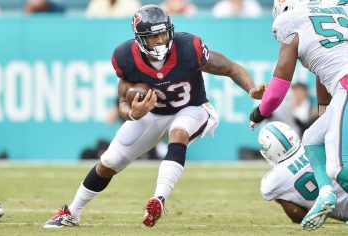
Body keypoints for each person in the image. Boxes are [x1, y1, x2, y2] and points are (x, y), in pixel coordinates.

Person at [43, 4, 266, 229]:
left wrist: (251, 89)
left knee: (178, 132)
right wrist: (132, 113)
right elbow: (122, 99)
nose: (160, 40)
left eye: (163, 33)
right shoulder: (125, 56)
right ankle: (72, 212)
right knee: (110, 161)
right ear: (140, 38)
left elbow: (231, 68)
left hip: (194, 108)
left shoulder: (189, 47)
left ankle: (158, 199)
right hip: (154, 114)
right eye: (153, 35)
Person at [249, 0, 348, 231]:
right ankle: (326, 193)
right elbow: (323, 70)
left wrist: (259, 112)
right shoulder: (340, 10)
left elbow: (279, 86)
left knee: (338, 168)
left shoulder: (291, 21)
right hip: (342, 84)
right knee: (312, 138)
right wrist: (326, 113)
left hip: (346, 84)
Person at [259, 121, 348, 224]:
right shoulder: (314, 144)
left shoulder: (273, 181)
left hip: (341, 212)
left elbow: (266, 194)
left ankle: (308, 220)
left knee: (280, 196)